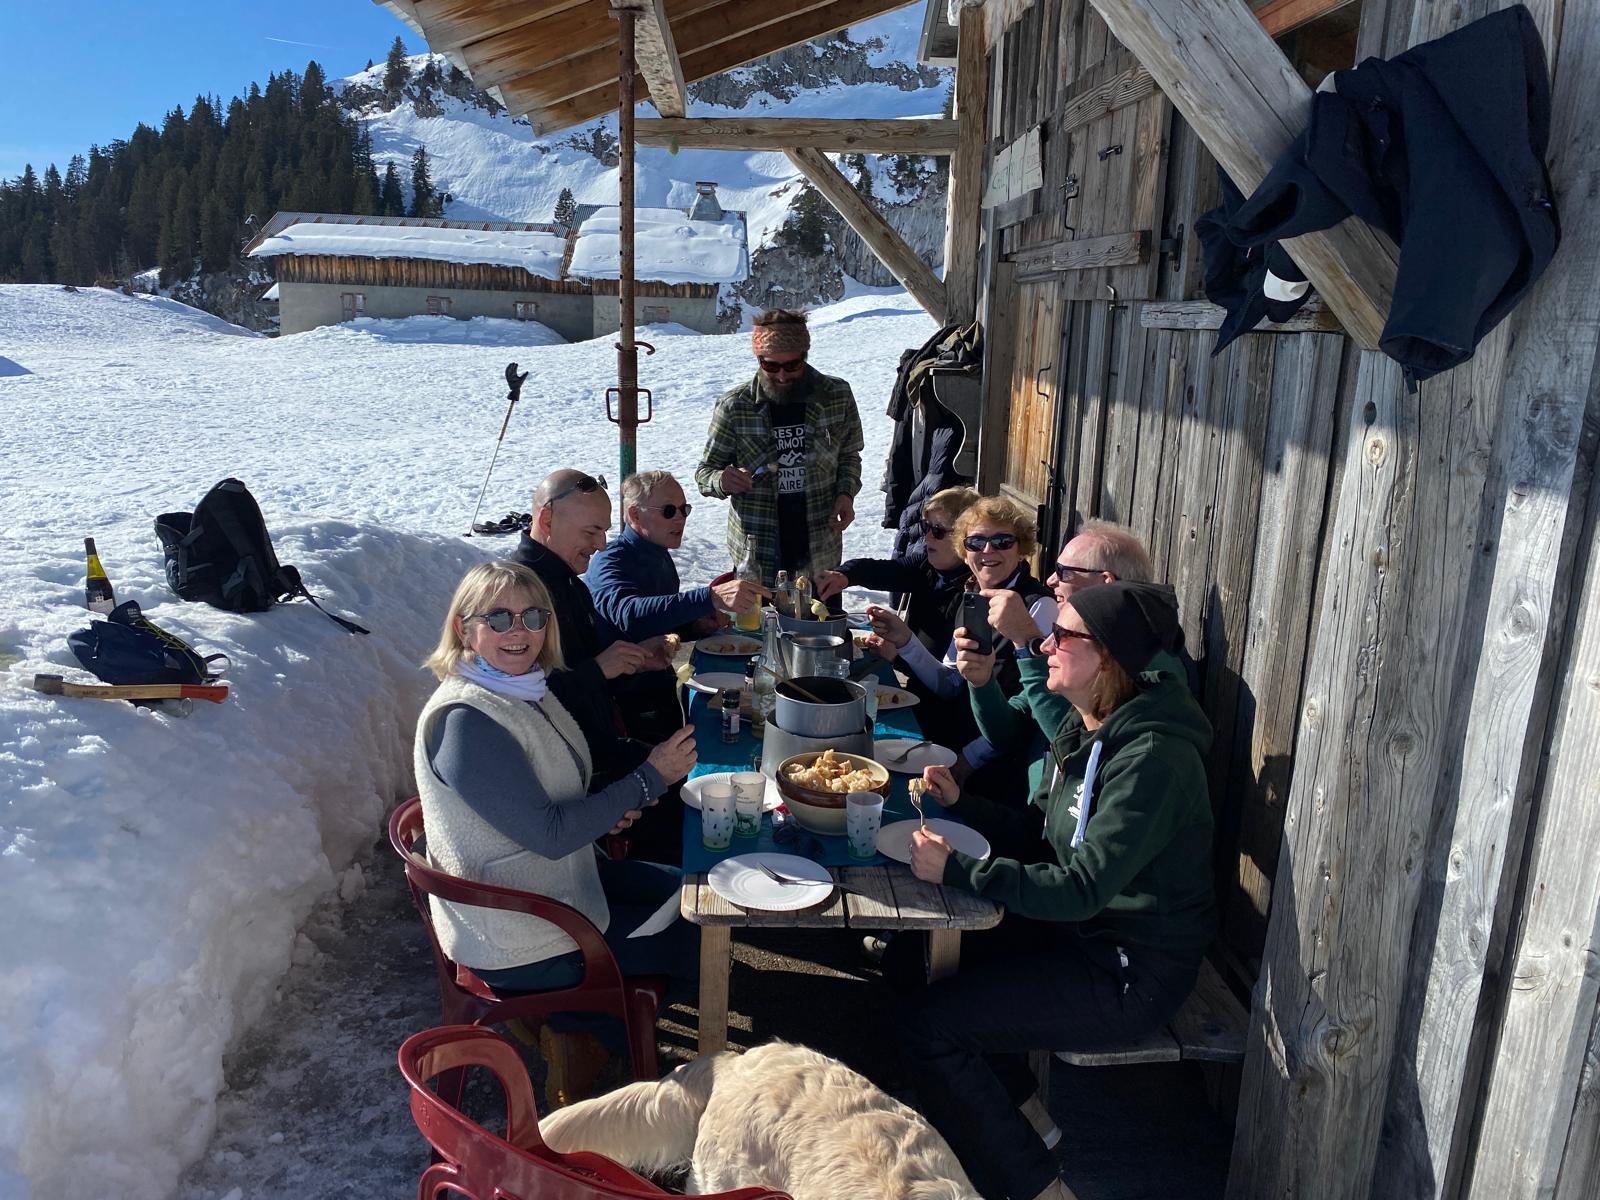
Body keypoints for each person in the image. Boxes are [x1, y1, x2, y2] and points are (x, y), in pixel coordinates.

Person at [896, 581, 1216, 1200]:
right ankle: (1026, 1119)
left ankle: (1035, 1186)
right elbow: (1043, 838)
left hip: (1130, 967)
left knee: (933, 1030)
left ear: (1109, 657)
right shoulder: (1087, 724)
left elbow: (1082, 887)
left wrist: (960, 871)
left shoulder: (1153, 759)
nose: (1044, 644)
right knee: (914, 961)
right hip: (1081, 932)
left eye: (1063, 635)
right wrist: (965, 805)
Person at [413, 560, 701, 1102]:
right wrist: (646, 780)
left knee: (691, 893)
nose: (519, 631)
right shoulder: (466, 721)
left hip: (556, 881)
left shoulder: (523, 688)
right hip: (519, 928)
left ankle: (580, 1026)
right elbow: (548, 833)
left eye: (533, 616)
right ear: (463, 630)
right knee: (698, 934)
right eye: (499, 618)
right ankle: (585, 1033)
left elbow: (548, 801)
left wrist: (606, 809)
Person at [864, 494, 1056, 782]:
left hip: (999, 769)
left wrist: (969, 759)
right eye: (976, 542)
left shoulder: (1040, 606)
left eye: (1002, 541)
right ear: (964, 551)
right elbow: (951, 684)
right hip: (950, 745)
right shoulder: (972, 597)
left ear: (1021, 549)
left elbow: (1034, 705)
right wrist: (905, 641)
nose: (988, 550)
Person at [507, 469, 666, 784]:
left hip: (596, 748)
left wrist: (632, 661)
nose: (601, 545)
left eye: (604, 532)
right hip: (560, 771)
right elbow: (516, 702)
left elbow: (583, 669)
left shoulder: (570, 583)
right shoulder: (514, 592)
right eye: (592, 532)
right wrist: (599, 669)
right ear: (547, 520)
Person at [693, 308, 864, 585]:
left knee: (820, 613)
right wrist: (722, 480)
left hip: (820, 543)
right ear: (759, 359)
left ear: (804, 356)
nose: (782, 376)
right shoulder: (735, 406)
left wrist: (846, 494)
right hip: (757, 550)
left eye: (792, 365)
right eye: (771, 366)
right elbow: (705, 472)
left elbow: (849, 454)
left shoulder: (836, 395)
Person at [814, 485, 979, 749]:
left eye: (938, 531)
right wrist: (844, 575)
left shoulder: (971, 596)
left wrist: (899, 652)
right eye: (926, 527)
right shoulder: (929, 567)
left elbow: (951, 685)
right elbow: (885, 570)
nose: (927, 537)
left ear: (966, 538)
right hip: (917, 694)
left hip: (943, 724)